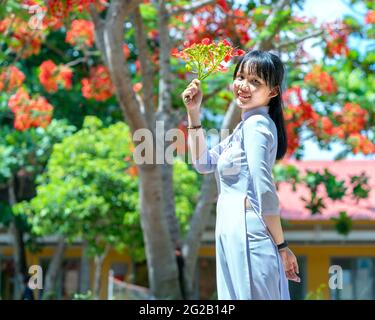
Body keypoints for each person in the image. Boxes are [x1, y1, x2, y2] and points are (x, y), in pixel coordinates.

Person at [182, 49, 300, 300]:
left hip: (248, 230)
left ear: (273, 91)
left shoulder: (257, 126)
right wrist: (193, 112)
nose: (243, 86)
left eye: (255, 81)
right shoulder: (243, 128)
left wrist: (281, 246)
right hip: (231, 228)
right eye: (241, 77)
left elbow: (264, 188)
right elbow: (203, 163)